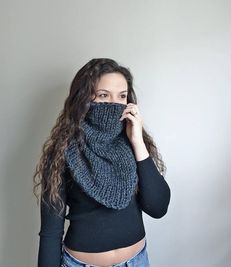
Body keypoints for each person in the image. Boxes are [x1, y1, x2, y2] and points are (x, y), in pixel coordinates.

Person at [33, 58, 171, 267]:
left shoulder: (133, 141)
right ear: (84, 98)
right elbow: (51, 233)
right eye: (103, 95)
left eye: (122, 96)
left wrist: (137, 142)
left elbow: (158, 207)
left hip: (137, 261)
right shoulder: (62, 150)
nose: (114, 103)